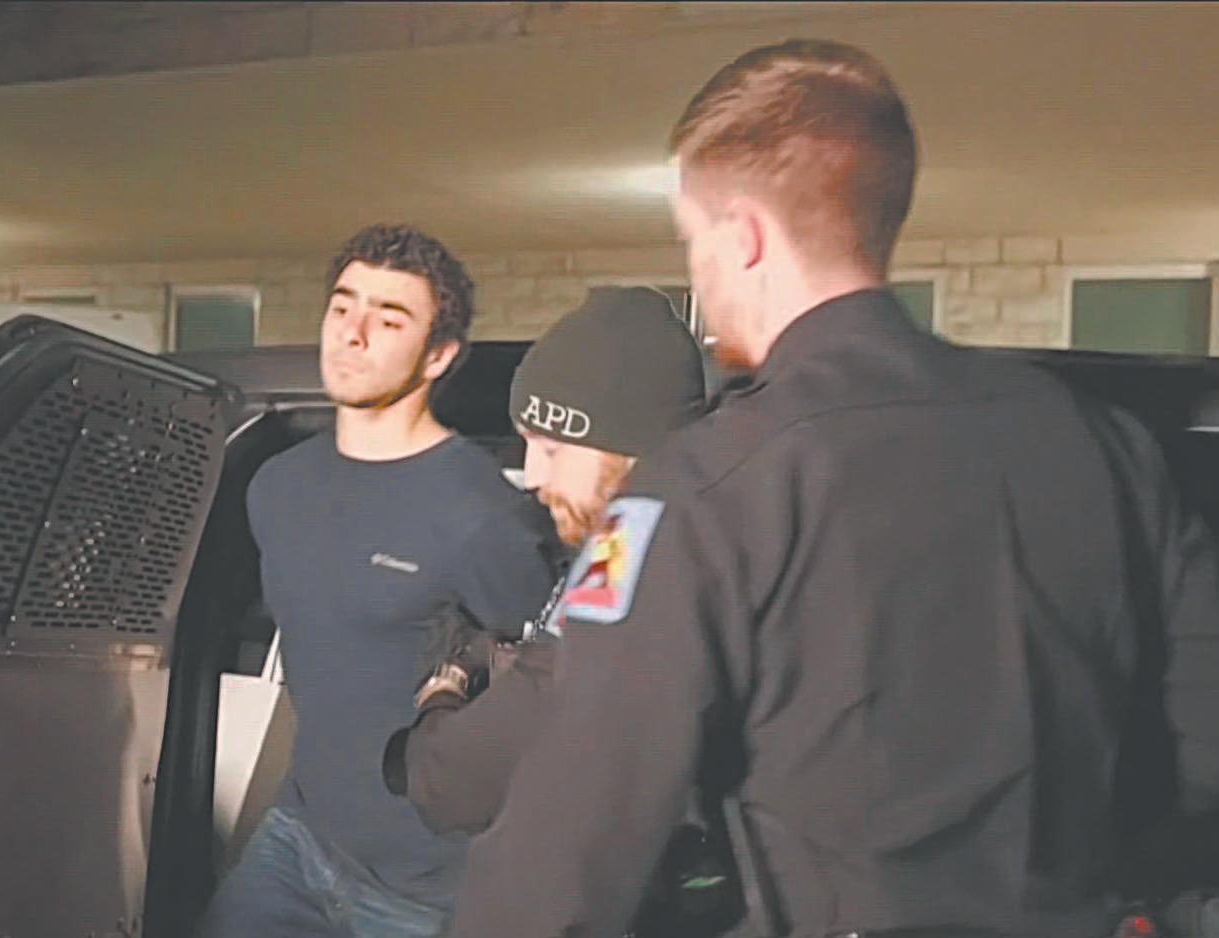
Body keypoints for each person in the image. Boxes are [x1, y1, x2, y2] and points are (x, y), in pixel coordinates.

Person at [447, 39, 1219, 938]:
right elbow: (1197, 747)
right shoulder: (1108, 446)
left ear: (742, 239)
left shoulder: (704, 488)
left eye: (694, 245)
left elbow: (566, 852)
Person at [198, 223, 559, 938]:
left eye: (389, 320)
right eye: (342, 307)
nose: (352, 333)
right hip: (300, 836)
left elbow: (551, 689)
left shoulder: (481, 514)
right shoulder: (277, 486)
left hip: (426, 886)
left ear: (438, 355)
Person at [381, 285, 708, 838]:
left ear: (634, 450)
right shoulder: (679, 538)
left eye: (553, 449)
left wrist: (443, 692)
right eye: (527, 444)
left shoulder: (641, 569)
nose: (532, 475)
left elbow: (458, 780)